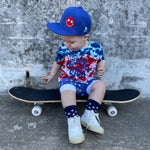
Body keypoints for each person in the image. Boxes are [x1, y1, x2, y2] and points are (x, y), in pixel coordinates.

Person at [41, 6, 106, 144]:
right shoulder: (64, 48)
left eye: (71, 42)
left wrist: (101, 67)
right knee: (67, 90)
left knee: (100, 85)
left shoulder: (95, 48)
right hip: (68, 80)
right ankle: (73, 120)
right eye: (64, 40)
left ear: (85, 37)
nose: (67, 45)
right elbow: (58, 62)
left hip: (88, 82)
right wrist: (51, 75)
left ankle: (89, 115)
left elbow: (101, 59)